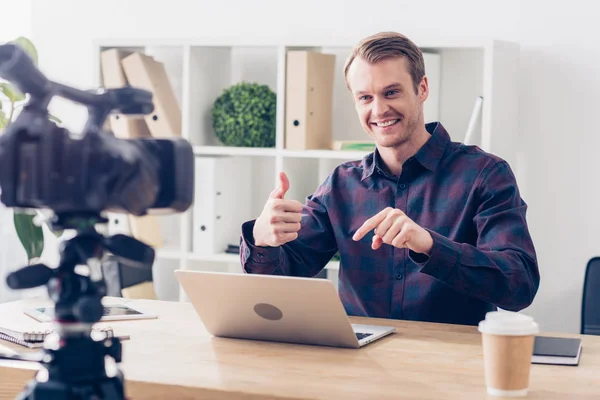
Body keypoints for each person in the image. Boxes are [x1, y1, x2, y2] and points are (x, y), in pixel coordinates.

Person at [239, 31, 540, 326]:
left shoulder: (485, 175)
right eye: (365, 97)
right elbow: (283, 278)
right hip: (361, 364)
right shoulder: (341, 185)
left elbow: (520, 284)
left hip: (450, 365)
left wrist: (430, 245)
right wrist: (263, 239)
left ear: (422, 88)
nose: (379, 109)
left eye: (391, 92)